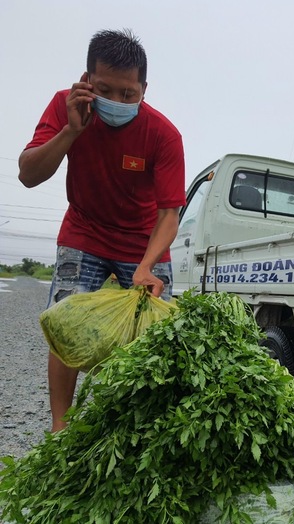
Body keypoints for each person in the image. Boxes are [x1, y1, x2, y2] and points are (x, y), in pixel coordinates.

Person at [18, 29, 186, 432]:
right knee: (66, 321)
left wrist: (146, 267)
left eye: (128, 94)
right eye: (105, 89)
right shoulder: (65, 107)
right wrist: (71, 130)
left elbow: (169, 213)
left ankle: (142, 428)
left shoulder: (164, 135)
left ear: (144, 89)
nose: (117, 101)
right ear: (87, 80)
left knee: (157, 339)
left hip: (143, 243)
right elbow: (28, 175)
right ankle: (60, 428)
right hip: (84, 232)